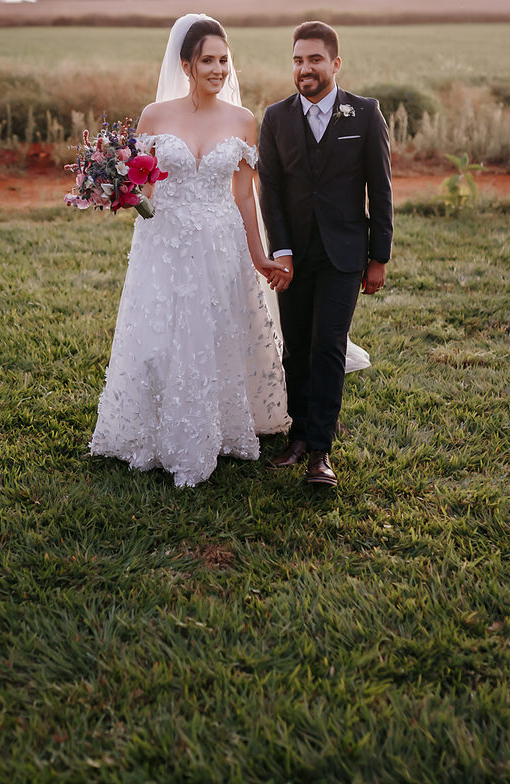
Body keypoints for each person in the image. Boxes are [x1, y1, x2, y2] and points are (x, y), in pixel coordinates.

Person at [89, 14, 292, 488]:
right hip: (165, 242)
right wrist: (117, 191)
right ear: (186, 64)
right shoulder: (154, 116)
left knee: (215, 331)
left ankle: (213, 428)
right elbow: (142, 183)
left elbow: (245, 196)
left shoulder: (243, 121)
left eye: (224, 60)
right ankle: (153, 430)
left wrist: (260, 256)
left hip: (220, 242)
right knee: (161, 334)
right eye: (208, 61)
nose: (219, 70)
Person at [258, 20, 393, 487]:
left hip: (344, 253)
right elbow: (270, 193)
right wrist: (282, 251)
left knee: (329, 344)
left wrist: (379, 258)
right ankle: (297, 435)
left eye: (315, 59)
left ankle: (320, 452)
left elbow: (382, 188)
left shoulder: (365, 113)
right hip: (292, 257)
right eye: (297, 60)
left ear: (335, 64)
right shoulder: (275, 118)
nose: (305, 68)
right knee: (295, 347)